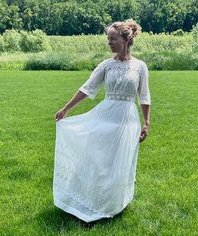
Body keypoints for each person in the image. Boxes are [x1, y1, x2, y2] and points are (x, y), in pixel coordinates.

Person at [53, 19, 151, 223]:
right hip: (106, 115)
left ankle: (114, 203)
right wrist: (66, 108)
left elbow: (144, 96)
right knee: (97, 159)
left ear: (125, 39)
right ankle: (90, 199)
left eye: (113, 39)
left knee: (120, 163)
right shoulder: (106, 65)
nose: (109, 43)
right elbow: (87, 88)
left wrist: (146, 122)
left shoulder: (140, 66)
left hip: (127, 120)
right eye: (108, 39)